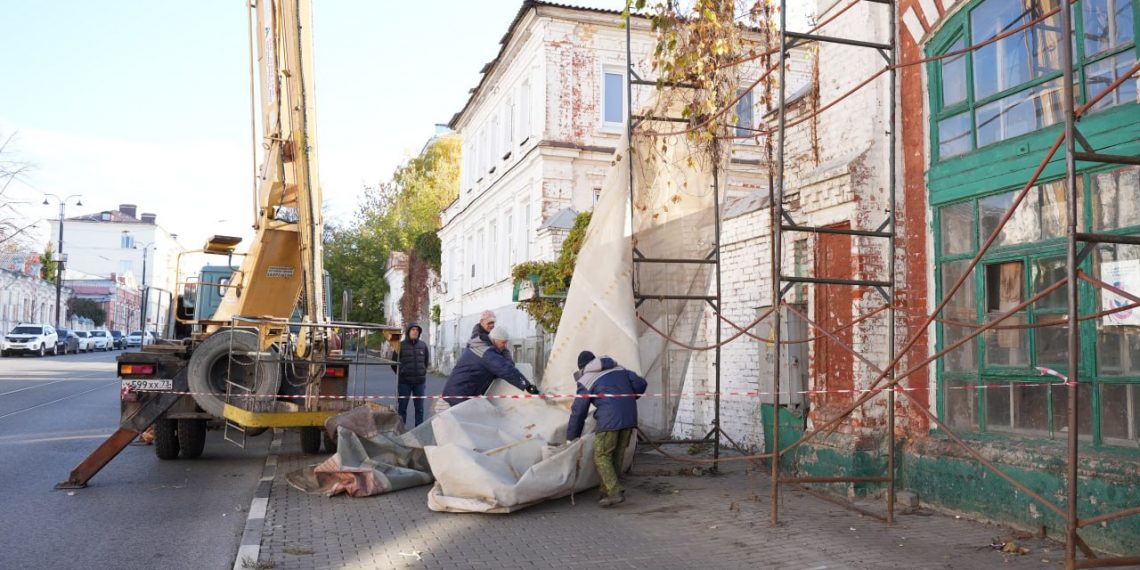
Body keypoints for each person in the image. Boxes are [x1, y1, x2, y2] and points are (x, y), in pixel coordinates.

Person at [566, 351, 648, 508]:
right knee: (617, 454)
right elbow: (641, 384)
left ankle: (614, 491)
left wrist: (572, 436)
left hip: (609, 421)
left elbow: (579, 411)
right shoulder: (619, 369)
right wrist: (627, 400)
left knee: (602, 456)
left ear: (582, 367)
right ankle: (606, 492)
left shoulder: (586, 379)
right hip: (630, 417)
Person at [441, 325, 539, 407]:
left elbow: (507, 364)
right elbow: (506, 369)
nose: (505, 345)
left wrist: (503, 350)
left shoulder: (482, 346)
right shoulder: (487, 352)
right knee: (465, 426)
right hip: (460, 394)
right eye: (503, 343)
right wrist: (527, 385)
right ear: (495, 340)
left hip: (459, 392)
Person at [391, 322, 429, 428]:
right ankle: (401, 432)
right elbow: (393, 363)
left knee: (420, 409)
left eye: (417, 330)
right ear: (408, 331)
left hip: (419, 384)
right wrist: (401, 373)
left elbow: (426, 362)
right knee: (402, 409)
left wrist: (422, 373)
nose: (415, 331)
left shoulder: (423, 345)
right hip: (405, 383)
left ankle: (419, 431)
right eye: (413, 329)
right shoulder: (400, 346)